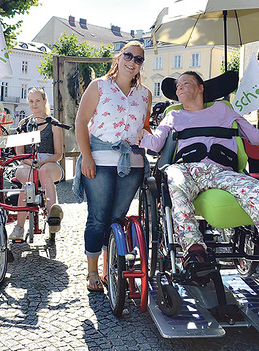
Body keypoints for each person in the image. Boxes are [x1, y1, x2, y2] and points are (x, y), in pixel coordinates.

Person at [137, 71, 259, 299]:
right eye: (178, 86)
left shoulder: (224, 110)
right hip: (187, 170)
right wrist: (139, 131)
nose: (180, 88)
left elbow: (255, 136)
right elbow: (154, 143)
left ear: (201, 88)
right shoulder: (173, 116)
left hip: (222, 172)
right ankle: (195, 253)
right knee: (174, 180)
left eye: (186, 83)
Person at [73, 41, 152, 292]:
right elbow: (81, 121)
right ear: (118, 57)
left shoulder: (145, 94)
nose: (132, 61)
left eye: (138, 59)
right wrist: (86, 157)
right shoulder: (99, 87)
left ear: (141, 65)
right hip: (99, 160)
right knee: (98, 218)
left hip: (133, 164)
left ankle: (111, 270)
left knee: (118, 219)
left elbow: (145, 128)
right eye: (128, 55)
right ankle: (93, 271)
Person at [9, 87, 64, 241]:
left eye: (38, 101)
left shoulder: (53, 123)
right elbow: (19, 153)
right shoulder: (24, 123)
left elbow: (58, 154)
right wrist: (31, 162)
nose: (34, 104)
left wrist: (41, 163)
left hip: (50, 162)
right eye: (31, 101)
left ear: (45, 101)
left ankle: (53, 217)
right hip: (27, 162)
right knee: (28, 177)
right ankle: (19, 227)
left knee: (44, 171)